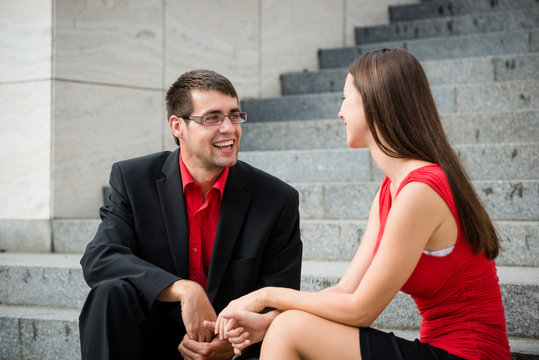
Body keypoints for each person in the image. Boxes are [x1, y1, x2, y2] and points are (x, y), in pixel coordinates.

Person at [212, 48, 511, 360]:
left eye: (345, 99)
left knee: (290, 329)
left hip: (471, 355)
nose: (340, 112)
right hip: (435, 349)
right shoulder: (391, 189)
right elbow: (346, 291)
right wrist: (268, 321)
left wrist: (265, 296)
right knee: (284, 325)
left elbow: (360, 311)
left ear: (373, 102)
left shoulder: (421, 191)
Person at [79, 69, 303, 360]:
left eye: (234, 115)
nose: (229, 128)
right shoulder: (133, 179)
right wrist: (183, 289)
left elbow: (280, 299)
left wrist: (234, 343)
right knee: (108, 295)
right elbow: (101, 258)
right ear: (177, 126)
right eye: (212, 118)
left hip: (232, 349)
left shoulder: (276, 199)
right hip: (152, 341)